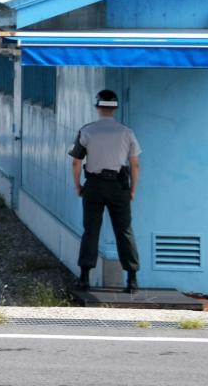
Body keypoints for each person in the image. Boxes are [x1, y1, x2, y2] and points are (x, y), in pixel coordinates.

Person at [69, 89, 141, 293]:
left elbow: (76, 161)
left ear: (97, 107)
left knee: (91, 230)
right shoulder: (127, 132)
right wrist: (133, 190)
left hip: (93, 185)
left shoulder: (87, 131)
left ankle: (84, 278)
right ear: (115, 108)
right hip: (119, 186)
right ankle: (132, 280)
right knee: (124, 230)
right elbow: (135, 164)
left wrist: (78, 185)